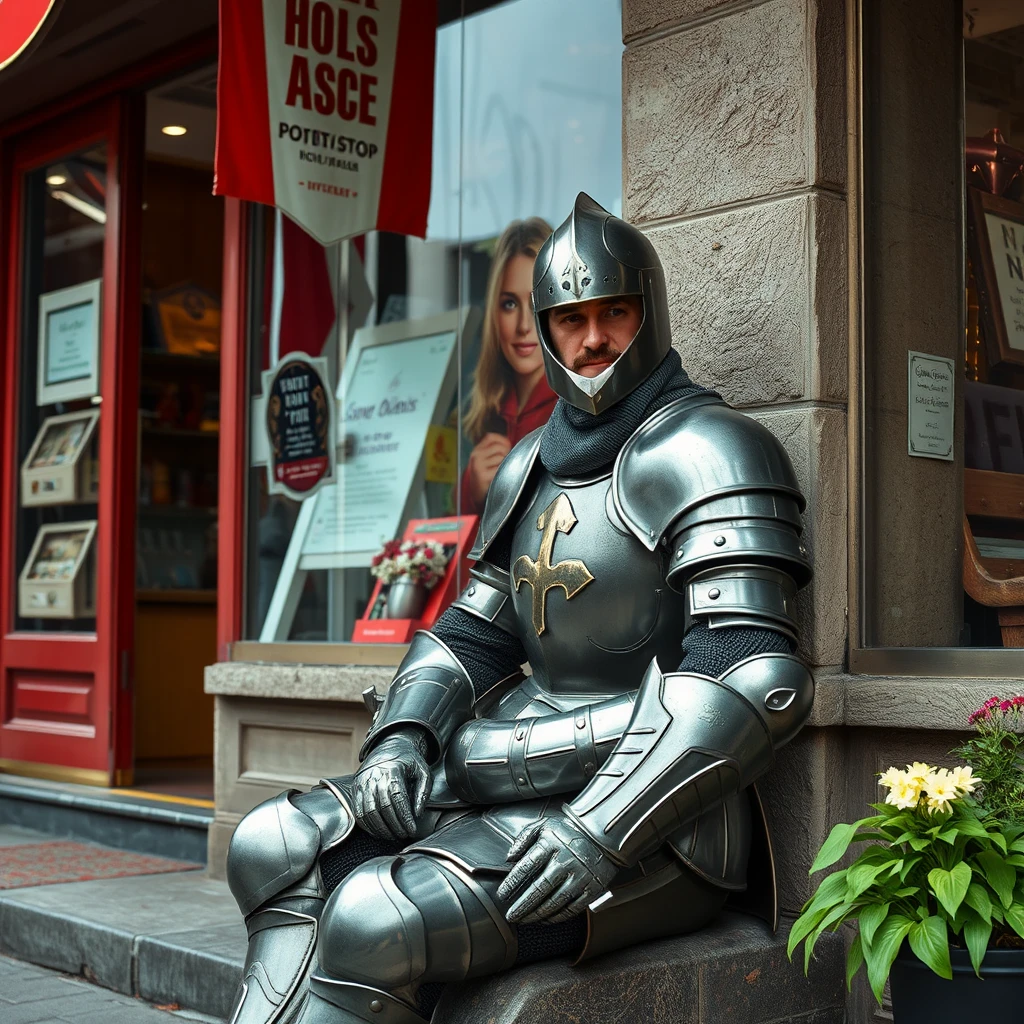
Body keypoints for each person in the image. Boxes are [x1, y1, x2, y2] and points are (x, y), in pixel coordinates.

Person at [225, 194, 815, 1024]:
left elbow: (755, 674)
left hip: (660, 823)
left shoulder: (712, 448)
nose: (593, 339)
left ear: (651, 312)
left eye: (615, 312)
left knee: (374, 916)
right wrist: (401, 739)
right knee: (273, 847)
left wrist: (597, 832)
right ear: (547, 327)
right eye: (570, 319)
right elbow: (474, 630)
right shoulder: (532, 461)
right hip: (498, 773)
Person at [460, 217, 557, 515]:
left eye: (536, 302)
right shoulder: (485, 411)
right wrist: (471, 489)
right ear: (493, 313)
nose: (524, 326)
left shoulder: (573, 409)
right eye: (510, 304)